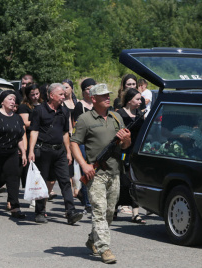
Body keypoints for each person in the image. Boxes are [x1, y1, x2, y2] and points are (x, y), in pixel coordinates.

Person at [70, 83, 131, 264]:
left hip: (114, 171)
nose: (107, 98)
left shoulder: (116, 117)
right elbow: (74, 143)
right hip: (95, 173)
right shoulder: (84, 119)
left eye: (108, 95)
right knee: (99, 211)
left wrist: (127, 140)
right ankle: (104, 248)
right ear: (93, 99)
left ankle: (92, 240)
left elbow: (125, 146)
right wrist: (84, 165)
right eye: (103, 96)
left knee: (109, 212)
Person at [28, 83, 83, 224]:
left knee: (65, 181)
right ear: (51, 95)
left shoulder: (64, 111)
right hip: (44, 151)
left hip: (60, 151)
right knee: (43, 182)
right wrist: (31, 151)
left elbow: (66, 133)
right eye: (61, 94)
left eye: (64, 94)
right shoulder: (39, 110)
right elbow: (34, 131)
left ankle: (71, 212)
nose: (63, 97)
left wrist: (68, 152)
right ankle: (40, 212)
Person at [0, 90, 27, 217]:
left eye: (14, 100)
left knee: (13, 179)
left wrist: (23, 152)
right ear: (2, 102)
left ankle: (14, 207)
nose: (13, 102)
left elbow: (20, 137)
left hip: (11, 153)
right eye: (10, 99)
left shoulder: (17, 118)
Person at [116, 88, 146, 224]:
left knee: (134, 181)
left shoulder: (140, 115)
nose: (141, 101)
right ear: (129, 100)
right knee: (121, 179)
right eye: (138, 99)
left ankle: (135, 213)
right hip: (122, 152)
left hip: (135, 153)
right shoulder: (119, 114)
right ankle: (114, 208)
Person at [72, 78, 97, 213]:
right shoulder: (79, 106)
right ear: (83, 91)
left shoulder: (97, 104)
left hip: (96, 142)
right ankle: (88, 202)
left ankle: (84, 193)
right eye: (88, 88)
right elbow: (76, 125)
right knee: (86, 171)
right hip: (83, 142)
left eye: (93, 88)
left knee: (96, 170)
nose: (91, 90)